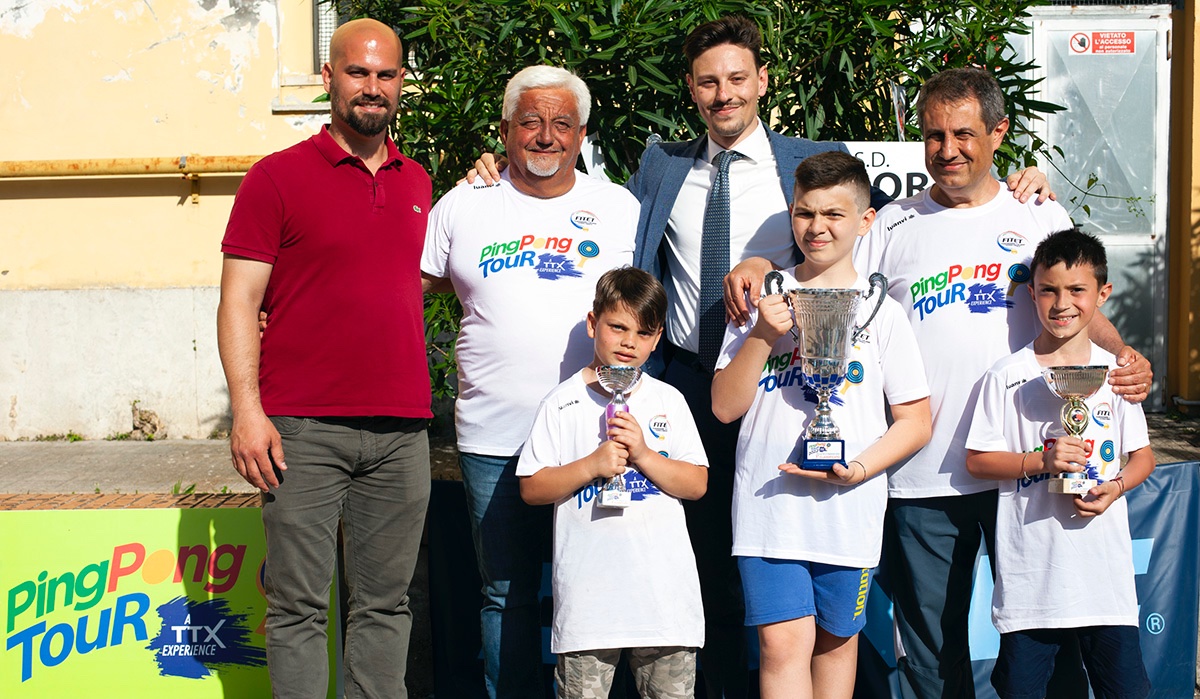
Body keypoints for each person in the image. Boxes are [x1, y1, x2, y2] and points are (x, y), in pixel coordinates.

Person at [469, 18, 1051, 695]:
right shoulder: (661, 166)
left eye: (738, 78)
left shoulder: (811, 159)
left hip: (797, 385)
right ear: (690, 89)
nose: (724, 94)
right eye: (709, 81)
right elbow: (583, 205)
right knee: (695, 562)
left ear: (762, 82)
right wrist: (497, 169)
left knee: (811, 613)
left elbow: (932, 206)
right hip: (689, 375)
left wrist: (1017, 182)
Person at [848, 68, 1154, 698]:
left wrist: (1126, 356)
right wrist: (761, 263)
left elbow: (1080, 307)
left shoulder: (1037, 212)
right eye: (934, 135)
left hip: (1033, 467)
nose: (948, 150)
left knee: (1051, 634)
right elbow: (838, 296)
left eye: (964, 133)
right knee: (932, 648)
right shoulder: (890, 225)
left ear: (999, 134)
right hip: (923, 474)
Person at [216, 18, 430, 698]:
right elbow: (238, 301)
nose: (373, 87)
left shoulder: (419, 182)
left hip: (401, 431)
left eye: (386, 74)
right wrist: (247, 411)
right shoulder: (275, 178)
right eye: (358, 72)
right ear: (329, 78)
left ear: (402, 84)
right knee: (299, 606)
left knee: (385, 605)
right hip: (302, 427)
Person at [420, 65, 639, 697]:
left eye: (561, 123)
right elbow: (406, 288)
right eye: (531, 122)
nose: (546, 136)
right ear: (507, 130)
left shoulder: (618, 208)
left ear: (582, 134)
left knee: (598, 592)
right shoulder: (463, 204)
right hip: (494, 438)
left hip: (595, 438)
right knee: (504, 595)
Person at [711, 151, 932, 698]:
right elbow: (723, 407)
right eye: (806, 213)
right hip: (769, 511)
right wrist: (762, 337)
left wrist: (857, 470)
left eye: (834, 215)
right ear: (792, 214)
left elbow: (915, 421)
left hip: (847, 517)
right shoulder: (761, 300)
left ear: (865, 220)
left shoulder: (883, 311)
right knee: (781, 648)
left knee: (836, 646)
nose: (817, 227)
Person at [965, 228, 1153, 699]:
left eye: (1077, 290)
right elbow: (978, 461)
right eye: (1048, 290)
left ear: (1102, 294)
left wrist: (1116, 487)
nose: (1061, 303)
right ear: (1031, 293)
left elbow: (1143, 457)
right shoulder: (1007, 375)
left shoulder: (1117, 375)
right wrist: (1040, 460)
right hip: (1032, 584)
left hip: (1106, 587)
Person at [517, 266, 709, 699]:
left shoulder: (668, 400)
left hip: (666, 606)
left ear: (657, 338)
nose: (628, 342)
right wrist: (592, 465)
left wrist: (643, 454)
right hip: (589, 610)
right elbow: (532, 487)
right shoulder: (561, 402)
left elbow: (696, 483)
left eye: (643, 333)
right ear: (593, 324)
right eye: (617, 327)